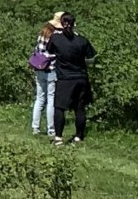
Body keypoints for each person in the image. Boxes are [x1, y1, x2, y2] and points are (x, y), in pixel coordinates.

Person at [46, 10, 95, 142]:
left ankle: (58, 138)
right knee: (80, 108)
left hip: (64, 78)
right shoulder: (82, 40)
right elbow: (91, 58)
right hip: (81, 77)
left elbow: (49, 51)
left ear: (61, 24)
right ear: (75, 24)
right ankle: (79, 136)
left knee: (60, 108)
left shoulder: (56, 39)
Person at [27, 20, 57, 136]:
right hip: (51, 69)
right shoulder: (54, 38)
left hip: (39, 68)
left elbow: (37, 50)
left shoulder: (41, 35)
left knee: (39, 98)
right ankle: (51, 129)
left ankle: (35, 127)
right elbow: (52, 54)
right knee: (51, 100)